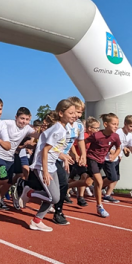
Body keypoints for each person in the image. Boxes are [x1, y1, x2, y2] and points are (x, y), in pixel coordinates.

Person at [16, 99, 76, 232]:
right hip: (43, 166)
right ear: (61, 113)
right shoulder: (57, 129)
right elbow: (44, 150)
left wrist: (63, 156)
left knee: (55, 196)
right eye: (71, 113)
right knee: (54, 198)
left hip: (52, 165)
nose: (74, 115)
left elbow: (53, 148)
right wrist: (45, 171)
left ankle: (37, 221)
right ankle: (29, 192)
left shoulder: (62, 128)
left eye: (75, 113)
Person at [52, 96, 86, 225]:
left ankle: (58, 211)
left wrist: (82, 154)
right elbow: (50, 144)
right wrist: (61, 155)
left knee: (63, 184)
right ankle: (57, 211)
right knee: (60, 184)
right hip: (53, 156)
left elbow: (80, 140)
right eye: (75, 112)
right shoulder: (60, 125)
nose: (77, 115)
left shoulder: (79, 126)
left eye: (80, 112)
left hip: (64, 157)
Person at [0, 107, 35, 211]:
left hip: (10, 158)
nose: (23, 121)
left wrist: (44, 131)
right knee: (4, 178)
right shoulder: (7, 123)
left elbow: (39, 135)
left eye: (26, 119)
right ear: (16, 117)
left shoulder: (27, 128)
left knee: (9, 182)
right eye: (21, 118)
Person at [84, 113, 121, 218]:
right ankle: (100, 206)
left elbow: (118, 148)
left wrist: (114, 156)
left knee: (87, 182)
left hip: (101, 161)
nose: (116, 126)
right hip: (92, 158)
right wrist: (83, 153)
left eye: (117, 124)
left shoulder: (115, 137)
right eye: (113, 124)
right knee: (99, 182)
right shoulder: (97, 135)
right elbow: (84, 142)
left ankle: (68, 186)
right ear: (105, 124)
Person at [102, 114, 132, 204]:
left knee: (116, 178)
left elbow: (131, 148)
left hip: (117, 158)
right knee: (112, 177)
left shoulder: (130, 136)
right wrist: (112, 152)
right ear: (125, 124)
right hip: (108, 158)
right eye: (131, 126)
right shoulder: (117, 132)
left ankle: (107, 194)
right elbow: (108, 143)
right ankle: (97, 186)